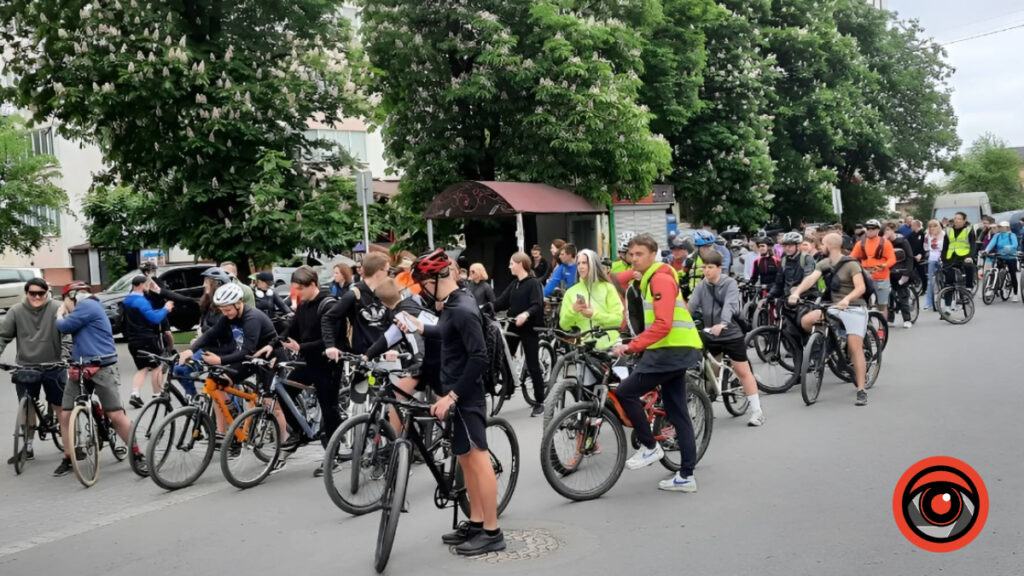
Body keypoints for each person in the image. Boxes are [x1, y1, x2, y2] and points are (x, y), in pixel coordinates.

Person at [397, 249, 505, 555]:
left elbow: (479, 357)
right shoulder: (453, 303)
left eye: (421, 284)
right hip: (455, 391)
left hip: (465, 395)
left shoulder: (462, 309)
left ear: (435, 278)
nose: (421, 291)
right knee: (467, 461)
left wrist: (452, 396)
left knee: (478, 459)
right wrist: (421, 328)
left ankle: (492, 532)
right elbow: (449, 334)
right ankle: (476, 521)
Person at [611, 233, 702, 492]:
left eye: (639, 254)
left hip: (669, 351)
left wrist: (632, 346)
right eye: (631, 254)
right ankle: (686, 476)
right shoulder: (654, 277)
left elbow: (663, 324)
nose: (633, 258)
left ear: (653, 254)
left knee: (626, 391)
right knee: (678, 412)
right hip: (676, 349)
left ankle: (650, 447)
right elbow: (614, 280)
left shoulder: (660, 278)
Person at [56, 282, 144, 476]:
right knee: (66, 413)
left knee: (115, 414)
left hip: (102, 365)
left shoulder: (87, 305)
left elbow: (64, 326)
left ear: (71, 297)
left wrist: (60, 314)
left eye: (64, 301)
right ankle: (68, 457)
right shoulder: (85, 307)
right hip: (80, 365)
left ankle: (137, 454)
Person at [789, 233, 870, 406]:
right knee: (806, 320)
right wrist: (796, 292)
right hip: (833, 307)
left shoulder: (851, 264)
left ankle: (861, 389)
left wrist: (847, 299)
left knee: (855, 347)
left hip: (854, 308)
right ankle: (824, 346)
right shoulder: (824, 263)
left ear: (829, 245)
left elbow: (861, 287)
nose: (819, 247)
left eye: (822, 244)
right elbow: (810, 279)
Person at [687, 251, 765, 427]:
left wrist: (723, 323)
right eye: (704, 267)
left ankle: (757, 411)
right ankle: (705, 404)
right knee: (707, 371)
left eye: (710, 267)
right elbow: (691, 306)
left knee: (742, 371)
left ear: (719, 268)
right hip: (710, 334)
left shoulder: (729, 284)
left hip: (729, 333)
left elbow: (730, 305)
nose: (706, 271)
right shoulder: (702, 286)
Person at [280, 266, 342, 476]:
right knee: (285, 392)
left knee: (329, 409)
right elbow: (292, 329)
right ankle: (299, 433)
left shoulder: (329, 304)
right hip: (308, 362)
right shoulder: (304, 305)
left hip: (328, 364)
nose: (297, 294)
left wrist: (301, 347)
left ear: (313, 285)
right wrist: (274, 343)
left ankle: (332, 457)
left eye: (300, 289)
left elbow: (330, 339)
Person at [0, 278, 67, 465]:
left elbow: (67, 333)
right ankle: (27, 446)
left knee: (61, 407)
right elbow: (3, 336)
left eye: (41, 293)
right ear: (26, 293)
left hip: (54, 365)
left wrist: (66, 355)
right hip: (26, 366)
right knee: (27, 406)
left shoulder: (57, 308)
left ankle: (70, 445)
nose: (36, 297)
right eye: (32, 293)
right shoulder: (16, 311)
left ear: (46, 293)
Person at [490, 252, 546, 416]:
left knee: (533, 364)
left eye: (511, 263)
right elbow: (501, 302)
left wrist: (526, 314)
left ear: (520, 264)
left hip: (529, 328)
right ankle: (508, 387)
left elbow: (537, 305)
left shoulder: (533, 284)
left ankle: (539, 400)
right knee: (504, 355)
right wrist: (484, 308)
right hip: (514, 326)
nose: (509, 266)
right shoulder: (515, 284)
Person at [322, 251, 391, 360]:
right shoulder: (354, 294)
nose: (388, 274)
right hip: (361, 356)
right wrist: (330, 346)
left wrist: (395, 348)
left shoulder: (385, 294)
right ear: (378, 272)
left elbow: (392, 323)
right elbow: (328, 318)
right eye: (388, 271)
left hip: (386, 354)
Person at [124, 275, 174, 408]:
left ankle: (135, 394)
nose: (149, 288)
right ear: (141, 285)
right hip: (146, 339)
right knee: (157, 366)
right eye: (147, 285)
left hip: (132, 340)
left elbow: (146, 314)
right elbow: (154, 318)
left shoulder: (127, 300)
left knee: (143, 368)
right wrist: (165, 309)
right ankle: (158, 395)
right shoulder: (141, 302)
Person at [559, 249, 624, 350]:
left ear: (594, 264)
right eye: (579, 263)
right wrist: (573, 311)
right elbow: (564, 326)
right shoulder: (570, 292)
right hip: (583, 349)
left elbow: (618, 320)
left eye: (584, 263)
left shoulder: (608, 288)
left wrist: (594, 315)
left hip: (610, 347)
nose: (581, 266)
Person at [850, 219, 896, 320]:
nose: (870, 231)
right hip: (865, 277)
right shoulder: (860, 244)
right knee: (864, 304)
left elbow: (892, 259)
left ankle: (882, 328)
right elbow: (851, 258)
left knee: (882, 305)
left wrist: (884, 265)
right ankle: (867, 326)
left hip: (881, 277)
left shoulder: (886, 243)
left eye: (873, 229)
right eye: (868, 229)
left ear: (878, 230)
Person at [768, 232, 817, 307]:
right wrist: (769, 295)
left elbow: (808, 278)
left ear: (798, 246)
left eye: (790, 246)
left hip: (805, 298)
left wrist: (797, 290)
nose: (787, 248)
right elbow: (779, 283)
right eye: (785, 246)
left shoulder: (807, 258)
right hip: (788, 298)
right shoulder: (784, 260)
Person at [883, 223, 916, 328]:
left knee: (902, 296)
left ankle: (907, 319)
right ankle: (890, 319)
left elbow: (910, 258)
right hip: (888, 272)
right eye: (884, 231)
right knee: (889, 297)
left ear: (893, 230)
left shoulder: (902, 241)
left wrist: (907, 273)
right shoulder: (883, 243)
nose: (887, 232)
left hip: (901, 271)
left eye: (888, 230)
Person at [940, 212, 978, 304]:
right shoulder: (948, 231)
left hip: (964, 256)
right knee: (948, 280)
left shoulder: (969, 230)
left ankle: (969, 287)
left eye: (959, 219)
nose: (956, 220)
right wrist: (943, 258)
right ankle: (947, 306)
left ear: (964, 221)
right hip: (951, 257)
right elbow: (945, 246)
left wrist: (970, 257)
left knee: (968, 266)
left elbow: (973, 245)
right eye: (955, 218)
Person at [984, 221, 1020, 302]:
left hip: (1010, 256)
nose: (1000, 228)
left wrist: (1010, 247)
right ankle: (992, 287)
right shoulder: (997, 235)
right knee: (995, 271)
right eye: (999, 227)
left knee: (1012, 274)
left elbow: (1015, 244)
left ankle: (1015, 294)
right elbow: (992, 243)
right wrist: (987, 250)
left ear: (1007, 227)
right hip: (1000, 256)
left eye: (1002, 227)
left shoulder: (1012, 235)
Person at [682, 230, 718, 298]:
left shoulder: (717, 259)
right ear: (698, 248)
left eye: (711, 246)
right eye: (706, 247)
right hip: (692, 298)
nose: (709, 249)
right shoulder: (690, 259)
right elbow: (684, 275)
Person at [923, 220, 944, 311]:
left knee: (945, 279)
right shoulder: (927, 235)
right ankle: (928, 302)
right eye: (931, 226)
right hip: (932, 258)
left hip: (942, 258)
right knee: (930, 281)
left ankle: (947, 300)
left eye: (935, 226)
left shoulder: (944, 234)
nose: (933, 228)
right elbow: (925, 247)